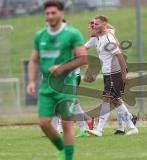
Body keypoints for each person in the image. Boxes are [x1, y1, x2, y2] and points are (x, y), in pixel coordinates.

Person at [27, 1, 88, 160]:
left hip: (66, 86)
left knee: (67, 124)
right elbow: (34, 60)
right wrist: (32, 81)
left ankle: (68, 157)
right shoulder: (40, 35)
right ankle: (61, 148)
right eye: (47, 13)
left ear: (61, 13)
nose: (50, 16)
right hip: (46, 87)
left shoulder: (72, 34)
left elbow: (83, 59)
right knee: (43, 123)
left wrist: (62, 68)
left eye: (53, 13)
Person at [84, 16, 138, 136]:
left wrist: (124, 75)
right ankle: (131, 126)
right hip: (108, 74)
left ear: (103, 25)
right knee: (115, 100)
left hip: (115, 74)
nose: (92, 27)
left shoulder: (108, 39)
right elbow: (82, 49)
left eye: (95, 25)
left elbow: (120, 56)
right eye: (92, 25)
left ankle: (99, 130)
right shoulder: (96, 38)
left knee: (107, 99)